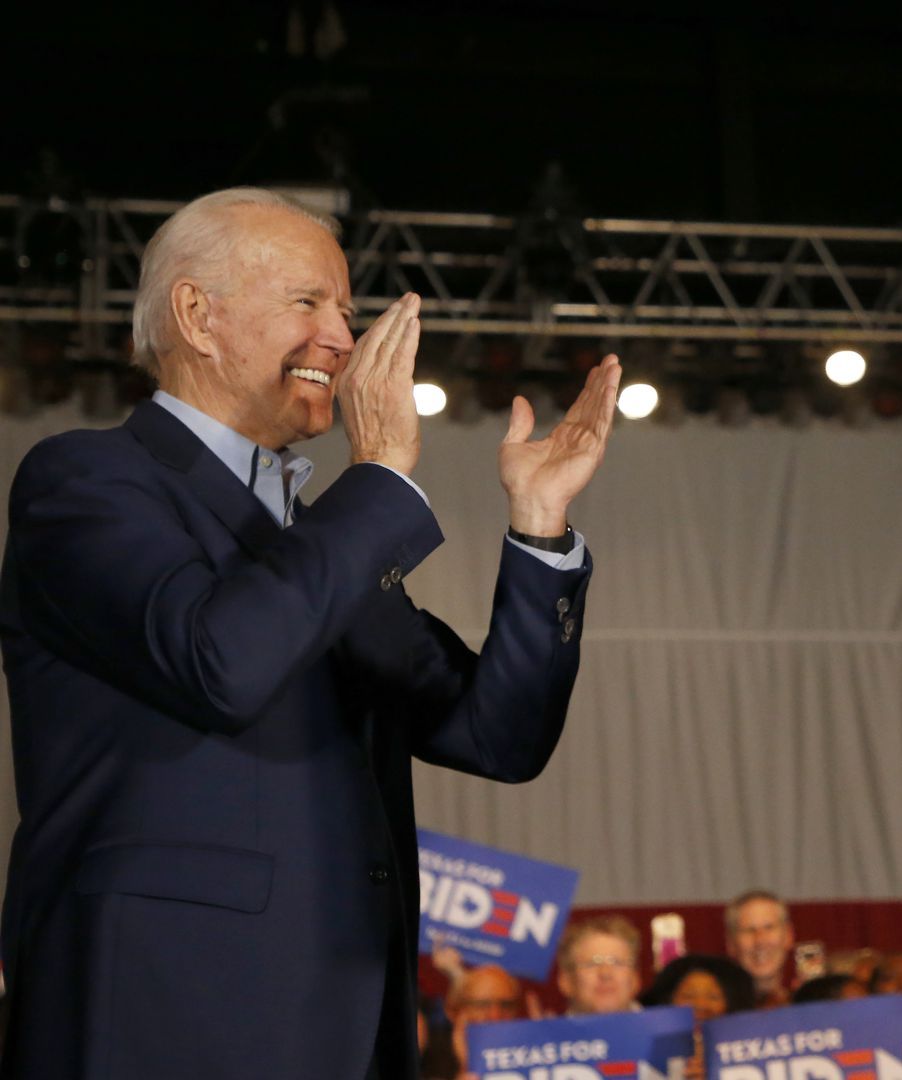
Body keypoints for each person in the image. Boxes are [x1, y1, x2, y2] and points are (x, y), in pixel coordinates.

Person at [0, 186, 622, 1078]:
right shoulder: (86, 481)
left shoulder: (314, 536)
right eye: (308, 302)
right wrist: (379, 478)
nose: (342, 339)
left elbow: (497, 736)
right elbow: (221, 660)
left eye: (347, 313)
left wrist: (539, 524)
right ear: (197, 316)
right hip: (164, 1020)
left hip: (347, 1024)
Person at [642, 954, 756, 1080]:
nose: (701, 1005)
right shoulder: (649, 1057)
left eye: (713, 997)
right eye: (688, 996)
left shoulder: (751, 1055)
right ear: (668, 1002)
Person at [555, 914, 646, 1016]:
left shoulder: (660, 1025)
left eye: (617, 962)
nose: (605, 973)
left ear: (635, 978)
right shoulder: (548, 1027)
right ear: (565, 981)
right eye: (591, 964)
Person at [725, 889, 795, 1007]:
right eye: (748, 930)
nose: (760, 941)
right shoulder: (715, 1013)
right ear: (731, 943)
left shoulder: (813, 1007)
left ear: (789, 936)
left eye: (769, 927)